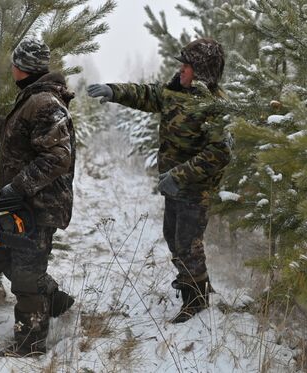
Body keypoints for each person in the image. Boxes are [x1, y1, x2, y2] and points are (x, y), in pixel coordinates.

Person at [87, 38, 231, 323]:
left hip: (194, 188)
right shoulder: (174, 92)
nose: (181, 70)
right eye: (182, 65)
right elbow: (147, 94)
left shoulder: (215, 106)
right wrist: (114, 91)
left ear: (202, 72)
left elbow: (220, 152)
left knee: (188, 243)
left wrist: (179, 176)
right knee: (173, 238)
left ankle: (196, 300)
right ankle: (196, 283)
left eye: (187, 66)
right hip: (173, 185)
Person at [0, 38, 76, 356]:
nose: (11, 68)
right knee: (13, 263)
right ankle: (55, 298)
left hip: (38, 205)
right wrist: (0, 125)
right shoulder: (33, 100)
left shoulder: (45, 102)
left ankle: (29, 345)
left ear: (23, 68)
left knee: (24, 275)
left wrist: (17, 188)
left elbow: (57, 157)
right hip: (26, 205)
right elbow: (28, 141)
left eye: (14, 63)